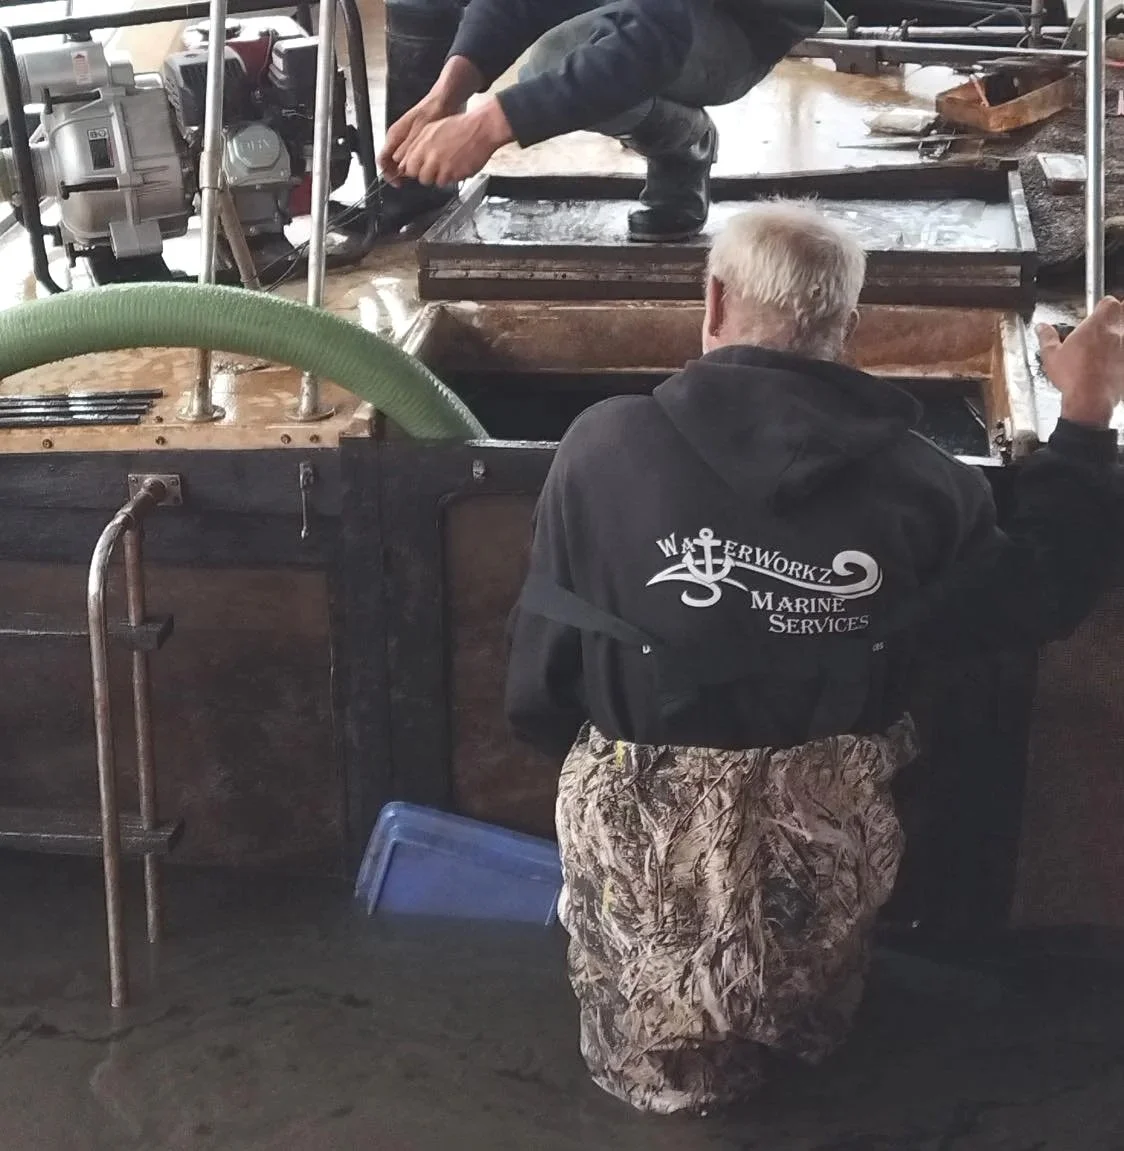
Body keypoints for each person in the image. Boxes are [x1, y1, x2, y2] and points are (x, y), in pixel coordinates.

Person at [503, 201, 1124, 1115]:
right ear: (847, 328)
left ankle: (670, 1072)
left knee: (652, 1075)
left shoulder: (599, 445)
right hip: (821, 838)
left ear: (712, 300)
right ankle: (798, 1033)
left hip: (642, 837)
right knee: (813, 1057)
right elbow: (1043, 593)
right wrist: (1085, 411)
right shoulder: (929, 483)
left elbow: (543, 672)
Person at [377, 0, 825, 241]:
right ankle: (682, 138)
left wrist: (489, 125)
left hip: (738, 25)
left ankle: (684, 144)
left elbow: (653, 36)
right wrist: (445, 94)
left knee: (560, 62)